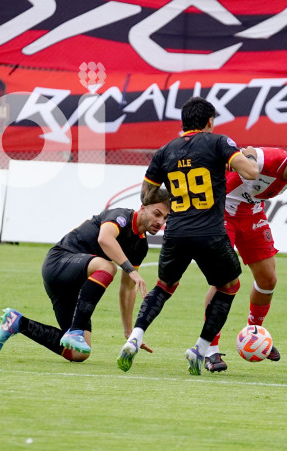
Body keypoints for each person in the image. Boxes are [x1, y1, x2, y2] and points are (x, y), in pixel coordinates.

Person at [116, 96, 260, 375]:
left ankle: (135, 337)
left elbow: (146, 195)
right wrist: (248, 156)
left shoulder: (165, 151)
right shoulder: (218, 142)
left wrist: (178, 191)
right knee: (230, 285)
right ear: (209, 122)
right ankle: (200, 348)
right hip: (210, 233)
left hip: (176, 233)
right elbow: (252, 172)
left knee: (164, 286)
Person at [0, 194, 171, 362]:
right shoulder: (121, 217)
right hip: (59, 262)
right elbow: (105, 239)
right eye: (157, 214)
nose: (160, 221)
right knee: (107, 267)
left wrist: (129, 331)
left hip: (72, 285)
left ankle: (18, 322)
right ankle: (75, 330)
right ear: (143, 208)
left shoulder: (140, 246)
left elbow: (127, 288)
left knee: (78, 353)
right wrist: (130, 269)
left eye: (165, 218)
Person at [202, 145, 287, 372]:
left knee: (268, 279)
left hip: (251, 212)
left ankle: (255, 335)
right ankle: (210, 349)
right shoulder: (266, 159)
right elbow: (248, 152)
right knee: (224, 281)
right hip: (222, 212)